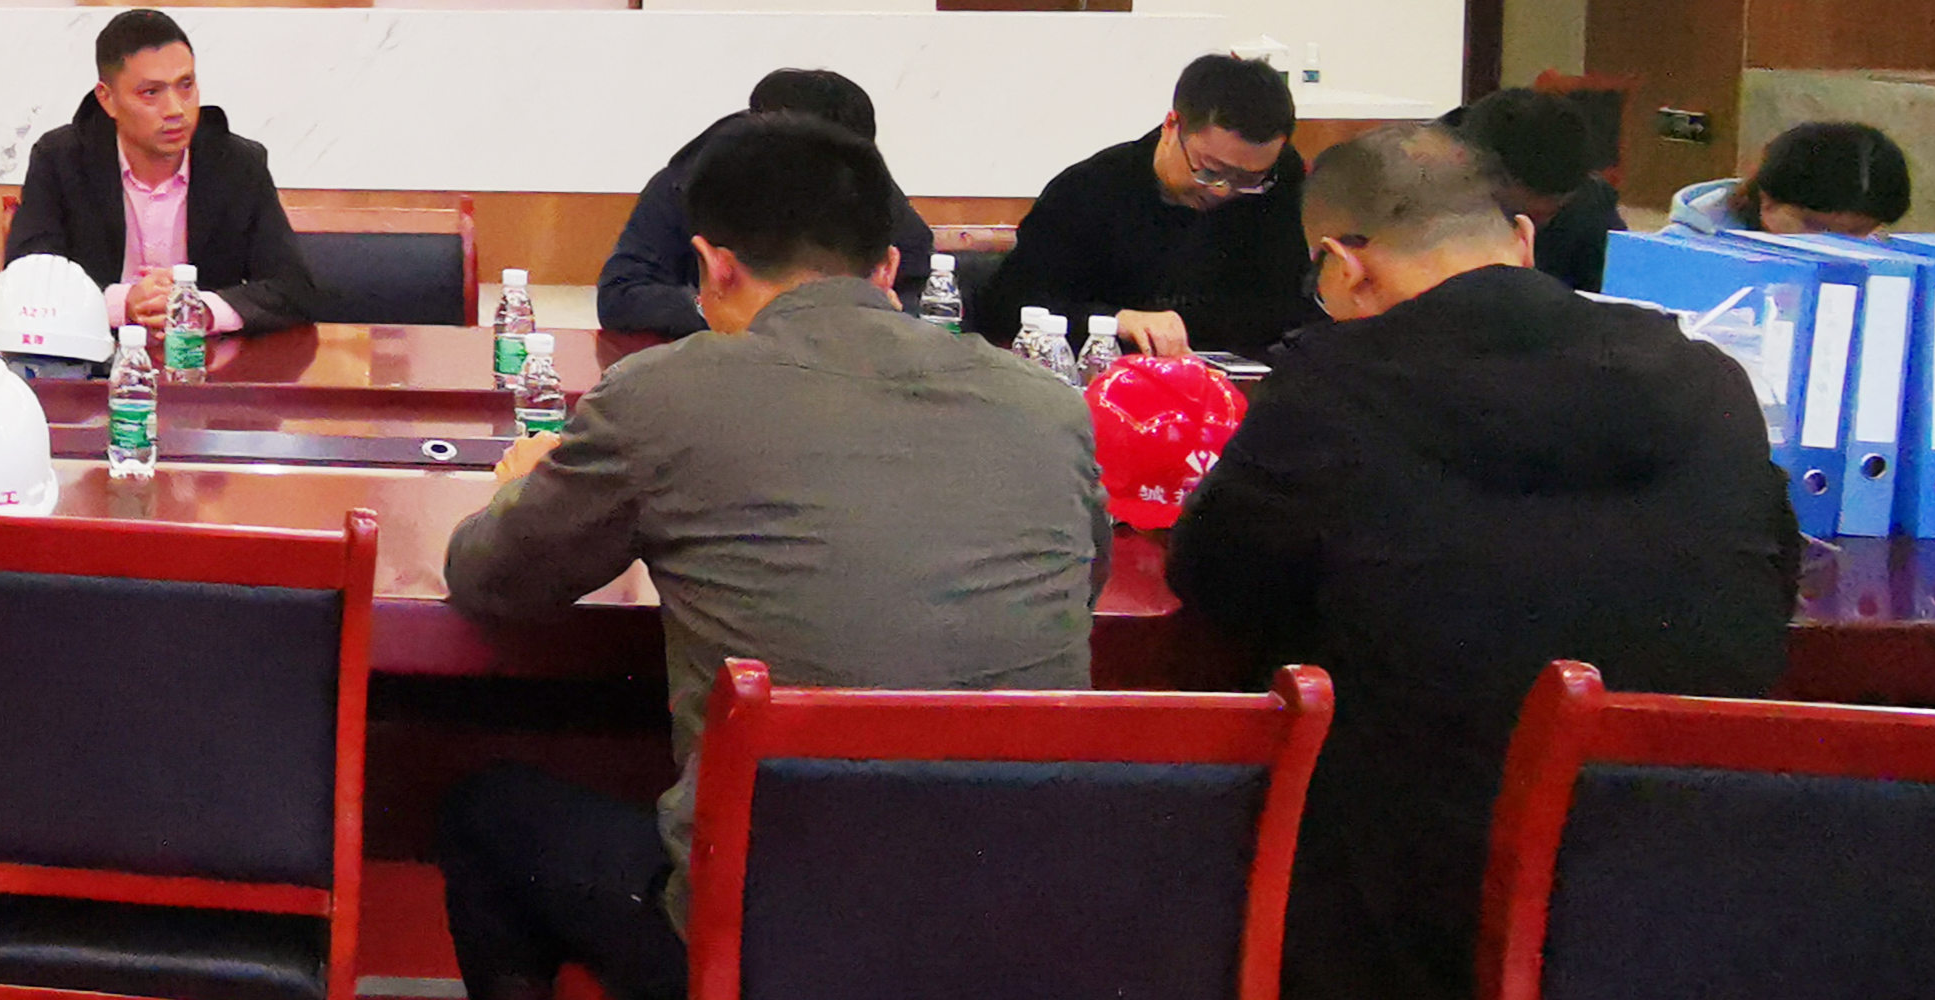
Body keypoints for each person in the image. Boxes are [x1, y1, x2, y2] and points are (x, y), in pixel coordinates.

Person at [436, 116, 1104, 1000]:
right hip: (1021, 933)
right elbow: (1086, 583)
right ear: (888, 269)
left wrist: (523, 485)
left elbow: (491, 580)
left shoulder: (666, 394)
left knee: (487, 814)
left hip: (772, 943)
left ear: (713, 267)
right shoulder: (1048, 406)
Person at [1169, 124, 1796, 1000]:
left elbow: (1215, 579)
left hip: (1408, 920)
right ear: (1524, 238)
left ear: (1342, 267)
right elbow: (1772, 580)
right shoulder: (1706, 378)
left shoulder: (1333, 390)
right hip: (1682, 902)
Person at [978, 52, 1315, 356]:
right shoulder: (1090, 190)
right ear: (1171, 126)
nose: (1223, 190)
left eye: (1248, 178)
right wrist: (1118, 320)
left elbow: (1289, 302)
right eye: (1210, 171)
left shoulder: (1278, 183)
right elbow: (1008, 306)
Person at [5, 9, 315, 336]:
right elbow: (29, 282)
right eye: (151, 93)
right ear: (107, 99)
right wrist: (123, 303)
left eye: (186, 86)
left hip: (206, 357)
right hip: (92, 352)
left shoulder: (237, 164)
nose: (176, 110)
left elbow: (294, 289)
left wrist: (201, 310)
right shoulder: (61, 159)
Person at [598, 68, 936, 337]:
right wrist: (717, 308)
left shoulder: (866, 194)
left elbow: (919, 296)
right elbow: (621, 294)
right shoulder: (688, 183)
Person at [1441, 88, 1621, 291]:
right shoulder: (1424, 190)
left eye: (1549, 215)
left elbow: (1615, 294)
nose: (1529, 230)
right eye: (1523, 216)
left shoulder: (1590, 211)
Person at [1667, 119, 1912, 237]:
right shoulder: (1682, 251)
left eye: (1858, 232)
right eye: (1815, 227)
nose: (1836, 244)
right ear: (1766, 201)